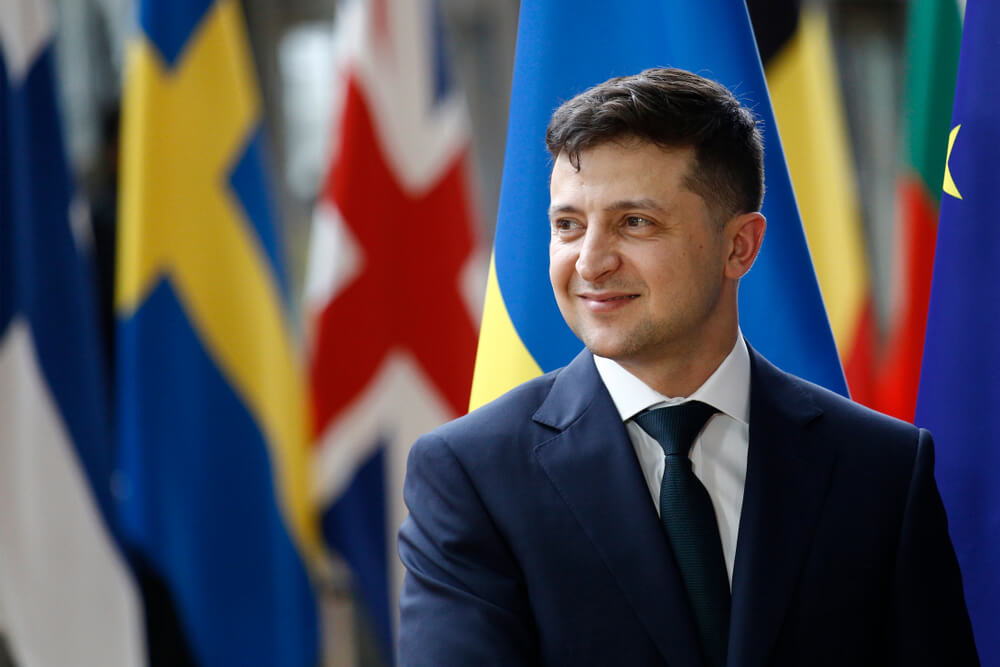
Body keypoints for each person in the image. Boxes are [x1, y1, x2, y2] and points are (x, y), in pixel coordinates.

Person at [396, 68, 978, 666]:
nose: (589, 263)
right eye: (567, 225)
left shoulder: (880, 468)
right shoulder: (471, 475)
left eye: (635, 222)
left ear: (739, 246)